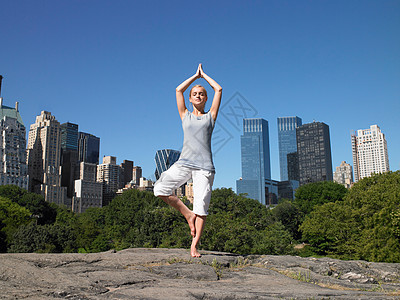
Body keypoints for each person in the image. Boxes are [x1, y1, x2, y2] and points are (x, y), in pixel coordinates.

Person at [153, 63, 222, 257]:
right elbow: (178, 89)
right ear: (190, 98)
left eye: (202, 93)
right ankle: (187, 213)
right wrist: (195, 76)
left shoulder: (211, 117)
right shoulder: (185, 115)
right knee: (159, 189)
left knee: (201, 207)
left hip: (205, 168)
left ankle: (194, 245)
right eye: (195, 93)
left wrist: (204, 76)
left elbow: (219, 89)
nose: (198, 95)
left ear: (206, 98)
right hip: (184, 163)